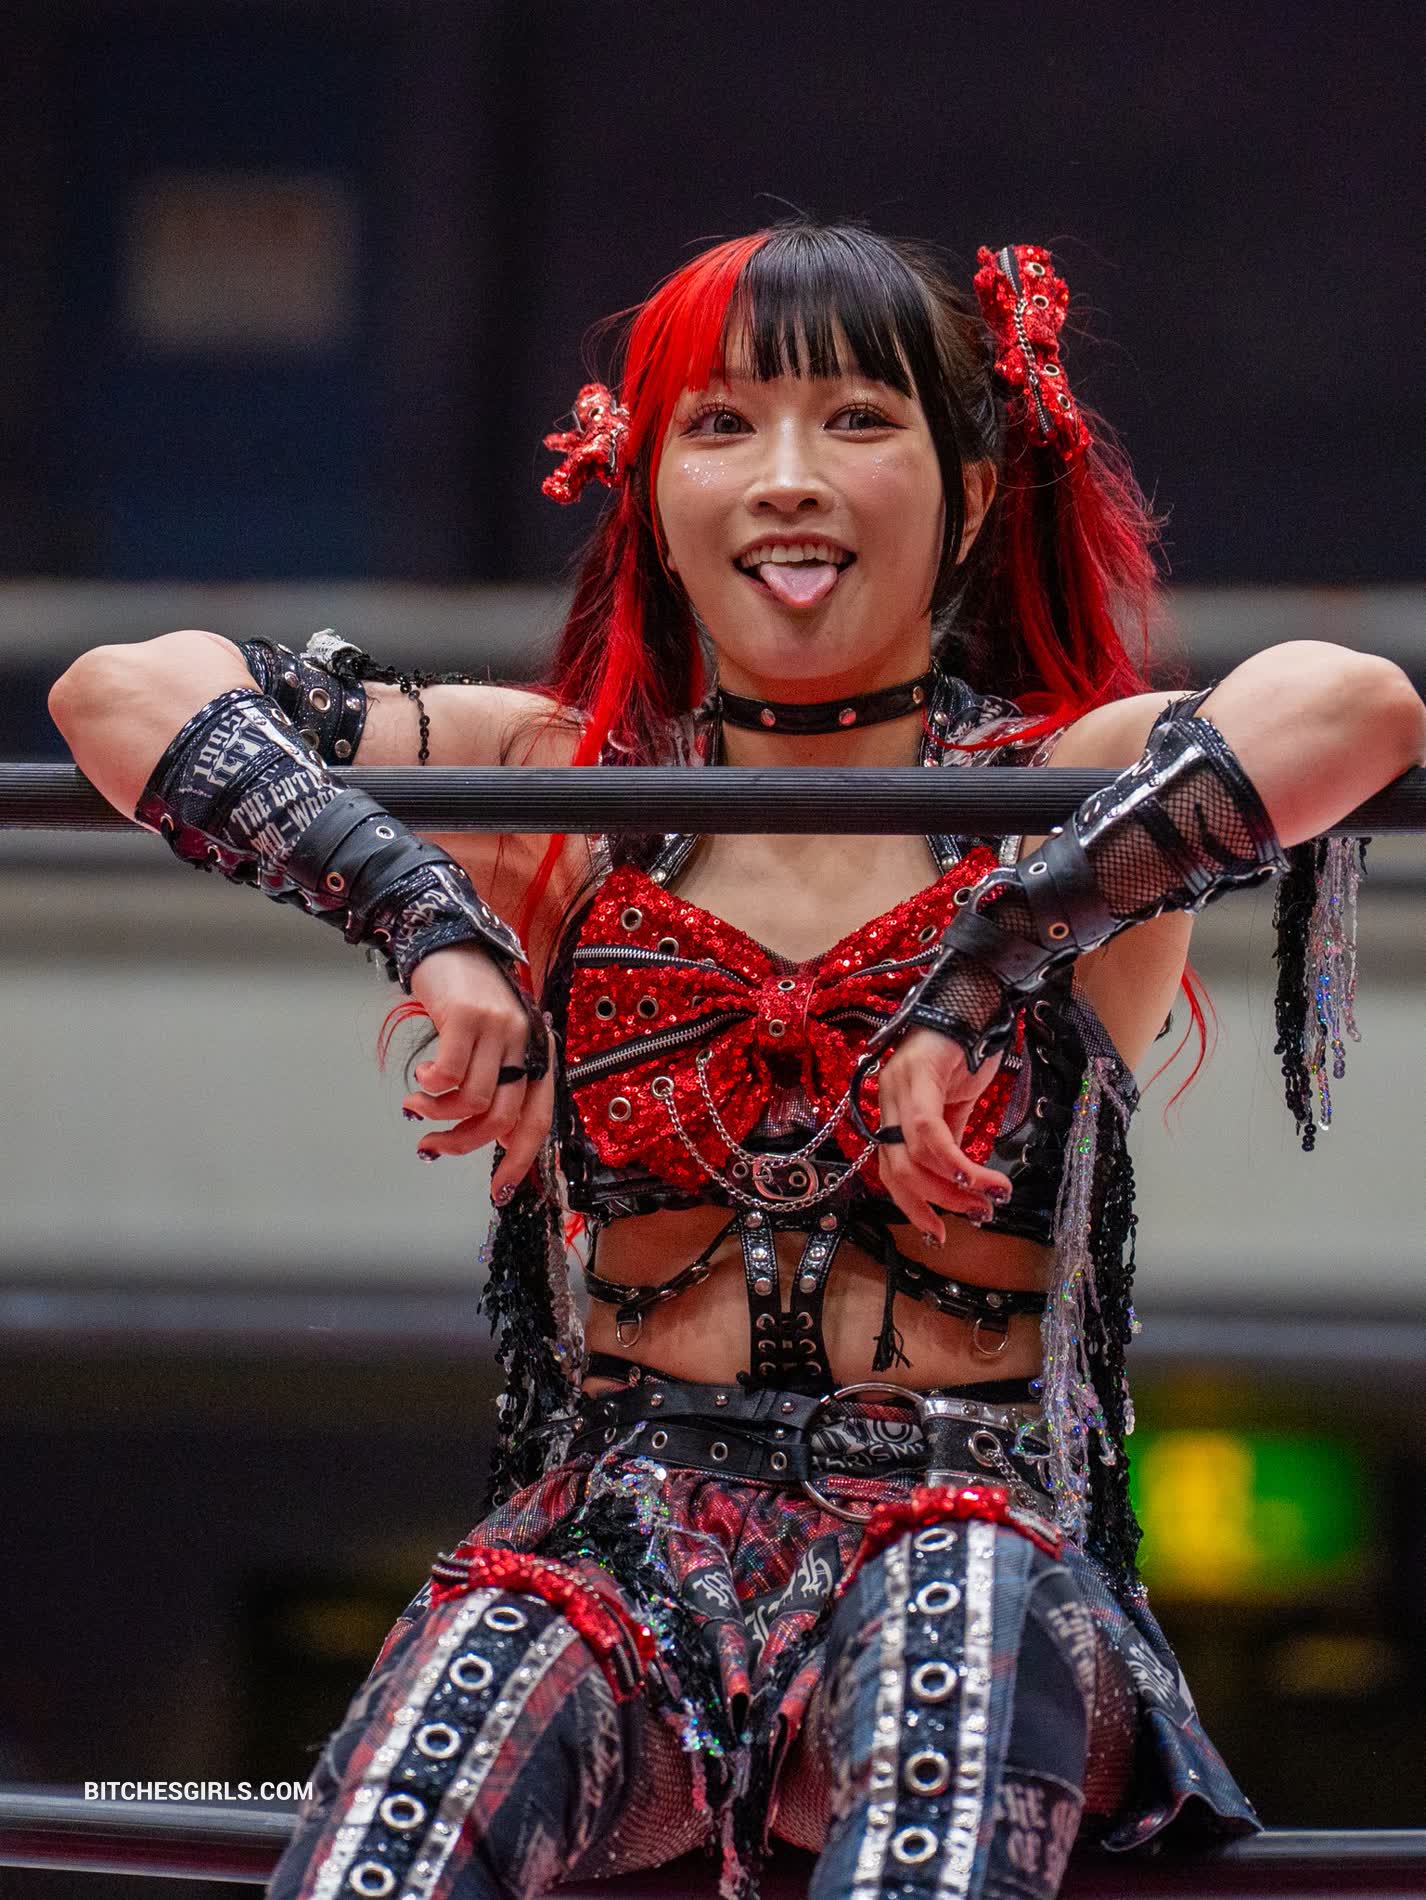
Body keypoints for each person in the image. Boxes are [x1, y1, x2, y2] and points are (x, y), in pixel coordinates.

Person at [47, 219, 1423, 1900]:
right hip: (619, 1547)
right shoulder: (558, 785)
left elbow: (1353, 706)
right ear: (648, 495)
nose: (785, 479)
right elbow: (124, 691)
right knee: (414, 1789)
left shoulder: (1067, 787)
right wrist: (423, 915)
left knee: (956, 1629)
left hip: (972, 1526)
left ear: (969, 494)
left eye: (855, 420)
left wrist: (988, 959)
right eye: (720, 425)